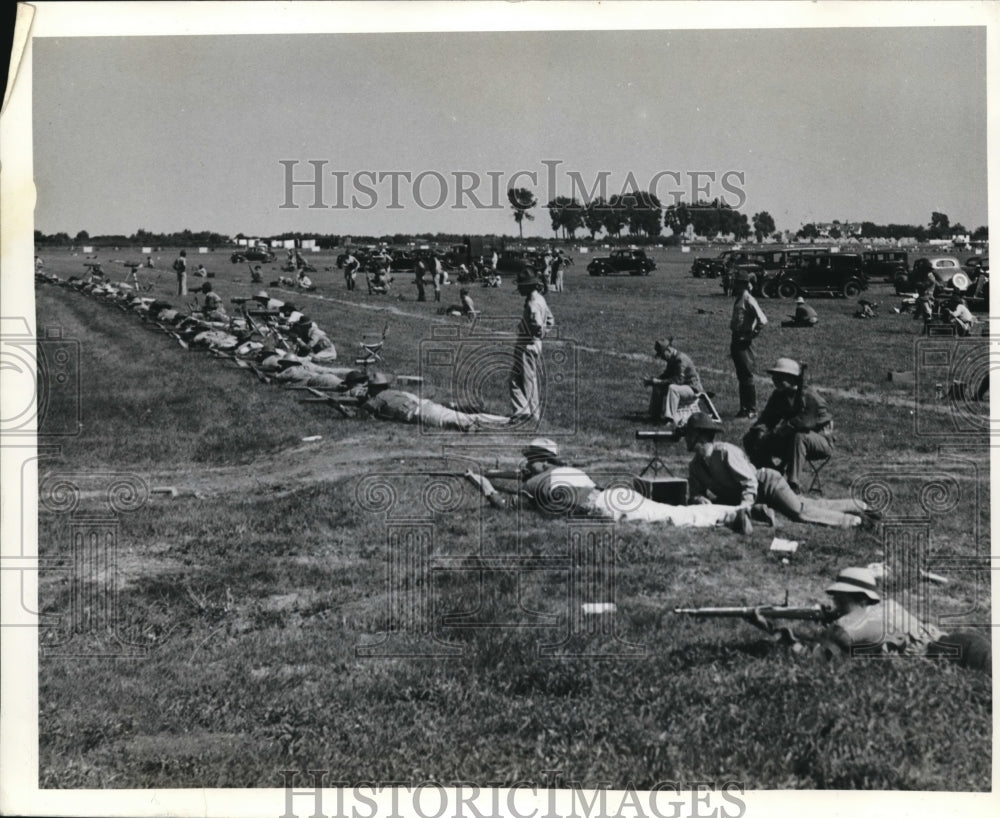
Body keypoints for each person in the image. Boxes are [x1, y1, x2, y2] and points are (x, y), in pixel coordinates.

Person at [465, 437, 751, 532]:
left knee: (674, 517)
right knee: (670, 511)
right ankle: (742, 510)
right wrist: (489, 475)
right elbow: (519, 479)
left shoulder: (537, 482)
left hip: (605, 507)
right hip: (613, 496)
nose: (525, 465)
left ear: (542, 462)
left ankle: (733, 514)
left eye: (529, 460)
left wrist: (484, 484)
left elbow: (506, 503)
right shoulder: (563, 470)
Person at [746, 566, 992, 670]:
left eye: (839, 598)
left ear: (854, 598)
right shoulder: (886, 606)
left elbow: (814, 659)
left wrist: (773, 632)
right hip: (962, 642)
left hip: (950, 654)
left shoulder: (849, 624)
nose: (835, 604)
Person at [685, 412, 865, 529]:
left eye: (689, 434)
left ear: (700, 436)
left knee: (799, 512)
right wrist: (699, 498)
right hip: (757, 495)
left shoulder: (725, 453)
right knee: (806, 503)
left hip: (768, 484)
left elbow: (750, 482)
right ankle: (857, 504)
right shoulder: (695, 466)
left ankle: (851, 521)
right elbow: (695, 494)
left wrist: (744, 508)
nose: (686, 439)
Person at [742, 358, 834, 494]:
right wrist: (759, 431)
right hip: (789, 439)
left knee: (799, 436)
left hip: (820, 441)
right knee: (750, 438)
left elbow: (805, 422)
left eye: (780, 378)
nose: (775, 380)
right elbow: (767, 418)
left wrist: (777, 432)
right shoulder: (779, 396)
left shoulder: (809, 396)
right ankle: (770, 474)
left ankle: (793, 484)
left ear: (792, 379)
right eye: (774, 377)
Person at [359, 373, 509, 431]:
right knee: (460, 417)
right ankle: (504, 419)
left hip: (420, 412)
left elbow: (362, 413)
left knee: (461, 421)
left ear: (373, 389)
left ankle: (505, 422)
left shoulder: (378, 398)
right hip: (426, 405)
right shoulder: (396, 392)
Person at [509, 269, 555, 424]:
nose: (520, 289)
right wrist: (541, 335)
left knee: (527, 381)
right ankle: (523, 412)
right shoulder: (540, 299)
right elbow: (550, 319)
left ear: (528, 286)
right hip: (532, 344)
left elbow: (537, 325)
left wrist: (535, 334)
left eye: (522, 286)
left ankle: (532, 416)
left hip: (527, 345)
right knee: (515, 379)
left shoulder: (533, 303)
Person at [730, 270, 767, 418]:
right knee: (741, 375)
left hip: (742, 340)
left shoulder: (748, 299)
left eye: (737, 282)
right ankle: (744, 408)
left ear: (743, 284)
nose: (734, 284)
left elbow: (762, 320)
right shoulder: (740, 298)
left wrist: (750, 336)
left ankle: (751, 409)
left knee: (746, 375)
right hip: (736, 339)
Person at [644, 337, 704, 427]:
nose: (662, 358)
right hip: (683, 387)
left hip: (692, 389)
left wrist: (658, 381)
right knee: (657, 387)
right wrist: (653, 381)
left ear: (668, 350)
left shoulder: (680, 359)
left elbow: (678, 380)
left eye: (662, 355)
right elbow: (666, 375)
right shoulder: (672, 359)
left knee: (672, 388)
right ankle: (655, 416)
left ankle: (670, 419)